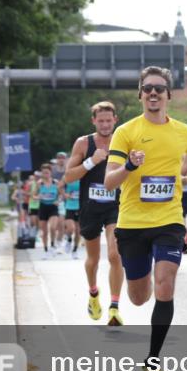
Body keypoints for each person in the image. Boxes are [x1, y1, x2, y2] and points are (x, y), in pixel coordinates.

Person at [104, 66, 187, 371]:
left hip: (169, 220)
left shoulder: (184, 132)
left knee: (165, 284)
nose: (153, 93)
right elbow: (110, 181)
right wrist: (129, 164)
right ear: (141, 95)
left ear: (169, 95)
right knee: (139, 297)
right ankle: (134, 295)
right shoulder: (125, 132)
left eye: (159, 88)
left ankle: (153, 360)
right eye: (148, 88)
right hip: (132, 223)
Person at [63, 101, 127, 327]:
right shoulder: (83, 143)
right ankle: (93, 293)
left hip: (115, 206)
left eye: (109, 120)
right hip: (90, 206)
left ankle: (115, 307)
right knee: (93, 260)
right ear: (94, 121)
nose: (105, 124)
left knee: (115, 255)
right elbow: (68, 177)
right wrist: (92, 161)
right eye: (101, 120)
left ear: (115, 120)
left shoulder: (123, 141)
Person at [36, 164, 60, 256]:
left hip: (53, 207)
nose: (45, 174)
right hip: (43, 207)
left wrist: (58, 200)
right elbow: (33, 195)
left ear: (50, 173)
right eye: (44, 173)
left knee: (53, 227)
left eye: (47, 172)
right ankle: (46, 249)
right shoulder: (39, 183)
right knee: (44, 231)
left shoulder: (55, 182)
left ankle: (53, 244)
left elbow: (61, 195)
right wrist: (38, 197)